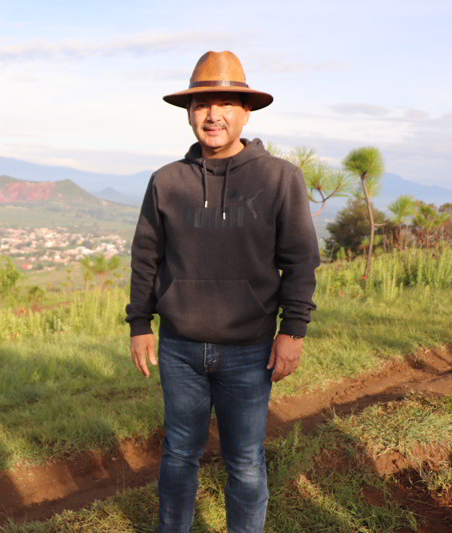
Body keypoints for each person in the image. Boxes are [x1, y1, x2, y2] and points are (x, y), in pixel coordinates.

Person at [125, 50, 320, 533]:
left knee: (246, 460)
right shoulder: (167, 180)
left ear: (246, 111)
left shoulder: (279, 177)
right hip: (180, 348)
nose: (212, 115)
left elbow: (299, 260)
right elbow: (146, 256)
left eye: (226, 103)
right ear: (189, 113)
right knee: (178, 454)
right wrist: (139, 324)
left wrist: (293, 331)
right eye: (201, 105)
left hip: (249, 349)